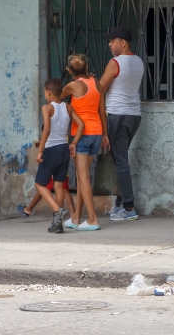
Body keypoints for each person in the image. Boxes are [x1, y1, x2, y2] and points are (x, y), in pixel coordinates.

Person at [60, 54, 109, 231]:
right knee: (83, 178)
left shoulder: (73, 85)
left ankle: (93, 218)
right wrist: (105, 134)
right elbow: (102, 112)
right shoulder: (96, 83)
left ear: (70, 71)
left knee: (83, 177)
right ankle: (75, 217)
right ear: (86, 68)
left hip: (80, 135)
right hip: (96, 133)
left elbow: (55, 98)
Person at [99, 26, 144, 221]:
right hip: (134, 116)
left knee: (121, 161)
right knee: (120, 160)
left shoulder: (115, 63)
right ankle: (120, 203)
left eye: (112, 41)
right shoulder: (138, 62)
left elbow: (100, 89)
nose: (109, 44)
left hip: (117, 115)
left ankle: (128, 207)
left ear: (122, 43)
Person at [35, 78, 85, 234]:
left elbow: (47, 130)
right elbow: (81, 125)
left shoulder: (47, 108)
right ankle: (58, 225)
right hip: (64, 149)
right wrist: (73, 143)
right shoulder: (68, 107)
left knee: (39, 184)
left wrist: (40, 150)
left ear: (49, 92)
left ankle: (58, 210)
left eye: (45, 93)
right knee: (58, 186)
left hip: (51, 149)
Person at [17, 140, 75, 217]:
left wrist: (41, 149)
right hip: (62, 158)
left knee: (42, 186)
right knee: (61, 188)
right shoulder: (64, 134)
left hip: (52, 161)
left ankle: (60, 212)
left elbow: (50, 137)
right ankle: (71, 214)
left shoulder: (53, 133)